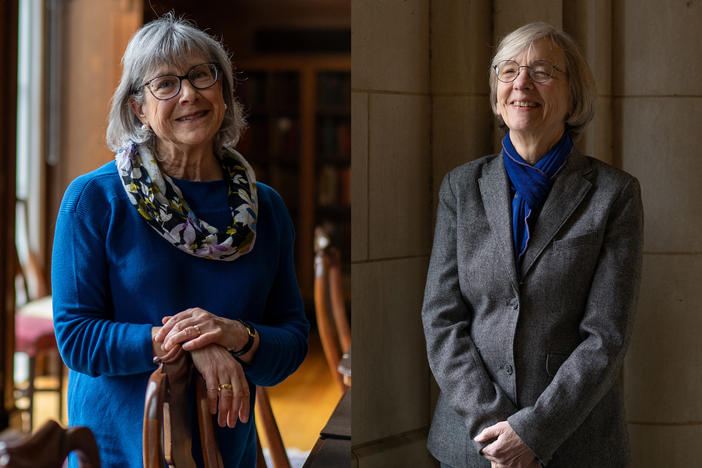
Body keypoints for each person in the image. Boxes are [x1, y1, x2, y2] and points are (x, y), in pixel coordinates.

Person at [51, 14, 309, 468]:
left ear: (224, 93)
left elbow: (290, 342)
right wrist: (196, 343)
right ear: (137, 108)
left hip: (227, 450)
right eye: (165, 84)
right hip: (121, 448)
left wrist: (235, 335)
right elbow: (77, 339)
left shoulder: (265, 209)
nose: (188, 94)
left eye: (201, 76)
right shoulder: (93, 199)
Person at [421, 22, 643, 468]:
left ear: (573, 95)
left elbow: (606, 336)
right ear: (497, 95)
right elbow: (441, 320)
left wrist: (534, 432)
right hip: (472, 446)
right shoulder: (461, 189)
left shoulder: (614, 194)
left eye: (542, 71)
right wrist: (497, 430)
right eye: (508, 72)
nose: (521, 83)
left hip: (573, 445)